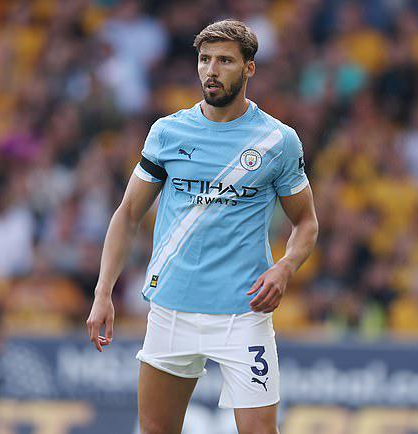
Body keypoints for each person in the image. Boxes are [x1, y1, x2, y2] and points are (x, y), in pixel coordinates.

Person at [86, 19, 318, 434]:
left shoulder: (278, 141)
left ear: (249, 68)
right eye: (205, 59)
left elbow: (306, 222)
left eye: (225, 60)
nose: (211, 70)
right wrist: (103, 292)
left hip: (243, 312)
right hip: (171, 307)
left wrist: (285, 267)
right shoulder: (168, 132)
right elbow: (127, 214)